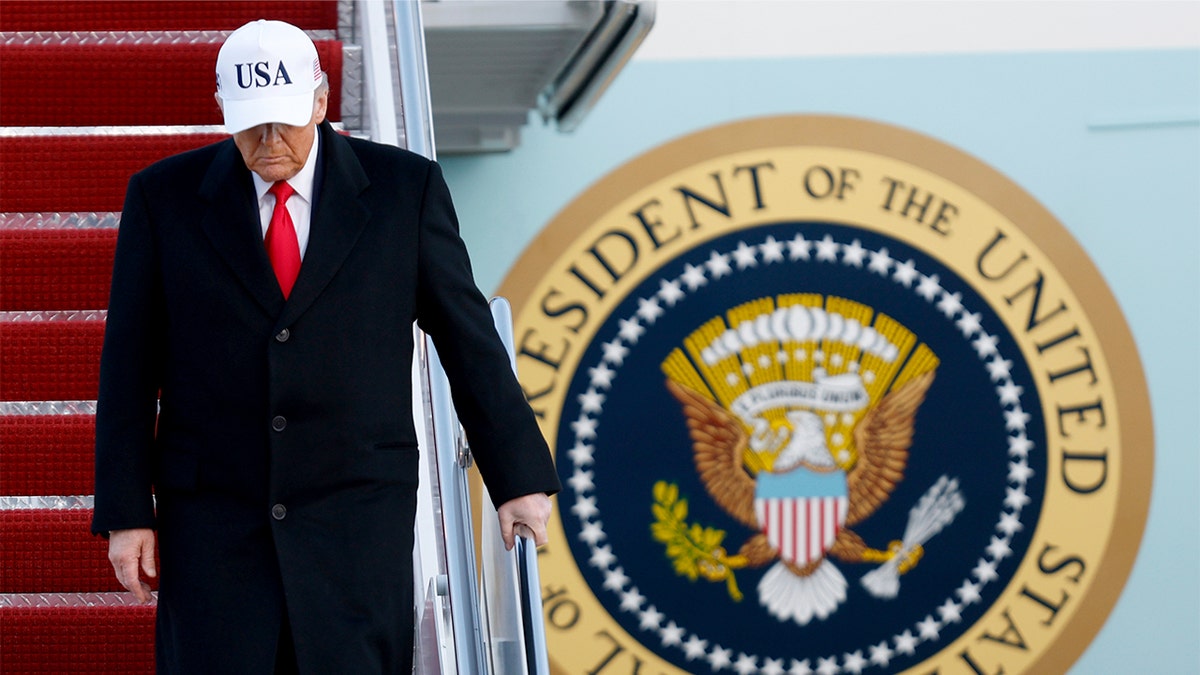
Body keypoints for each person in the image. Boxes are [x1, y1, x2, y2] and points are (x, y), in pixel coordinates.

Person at [91, 19, 560, 673]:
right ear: (223, 110)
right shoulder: (161, 199)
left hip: (356, 519)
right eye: (252, 124)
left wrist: (517, 477)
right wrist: (124, 510)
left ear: (319, 100)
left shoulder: (405, 190)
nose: (269, 139)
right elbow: (129, 367)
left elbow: (468, 336)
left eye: (284, 120)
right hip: (216, 524)